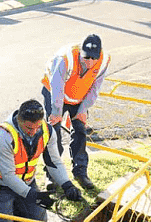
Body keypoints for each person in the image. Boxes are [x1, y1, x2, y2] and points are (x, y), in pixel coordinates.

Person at [0, 100, 82, 222]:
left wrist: (67, 184)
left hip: (27, 182)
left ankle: (15, 206)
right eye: (28, 128)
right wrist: (32, 195)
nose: (33, 132)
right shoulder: (3, 136)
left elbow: (54, 161)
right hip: (1, 185)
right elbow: (8, 176)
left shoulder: (47, 131)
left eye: (37, 127)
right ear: (19, 120)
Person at [41, 34, 111, 190]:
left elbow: (95, 88)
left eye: (94, 58)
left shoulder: (104, 60)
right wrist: (56, 112)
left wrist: (83, 109)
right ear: (81, 51)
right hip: (54, 93)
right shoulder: (65, 58)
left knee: (80, 131)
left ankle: (80, 172)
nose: (90, 63)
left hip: (78, 96)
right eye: (86, 58)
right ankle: (51, 175)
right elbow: (57, 87)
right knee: (54, 133)